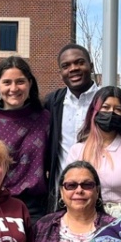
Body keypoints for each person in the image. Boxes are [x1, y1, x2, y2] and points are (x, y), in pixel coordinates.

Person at [0, 56, 52, 220]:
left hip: (34, 210)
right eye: (7, 82)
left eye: (20, 81)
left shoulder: (46, 119)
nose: (14, 88)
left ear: (30, 84)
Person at [65, 85, 121, 218]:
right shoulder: (78, 151)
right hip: (86, 218)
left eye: (117, 109)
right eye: (105, 108)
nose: (111, 113)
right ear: (94, 111)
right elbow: (68, 188)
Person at [45, 44, 100, 193]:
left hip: (101, 193)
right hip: (63, 194)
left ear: (91, 66)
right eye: (66, 66)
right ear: (61, 73)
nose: (73, 68)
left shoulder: (108, 101)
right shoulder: (52, 102)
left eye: (80, 62)